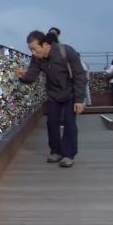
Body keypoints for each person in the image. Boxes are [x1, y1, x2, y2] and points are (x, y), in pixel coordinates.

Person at [16, 30, 87, 168]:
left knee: (69, 123)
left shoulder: (66, 52)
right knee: (51, 122)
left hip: (70, 93)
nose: (33, 53)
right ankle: (56, 151)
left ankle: (68, 155)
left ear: (46, 45)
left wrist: (79, 100)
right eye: (31, 50)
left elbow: (80, 75)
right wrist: (23, 77)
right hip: (54, 94)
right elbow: (32, 74)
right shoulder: (37, 58)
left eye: (35, 49)